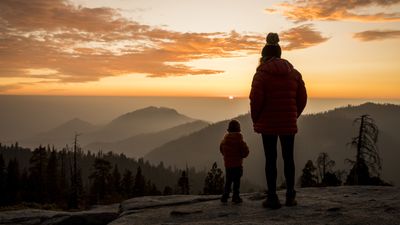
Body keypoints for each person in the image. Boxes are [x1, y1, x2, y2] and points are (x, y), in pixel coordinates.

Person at [249, 32, 307, 209]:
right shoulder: (294, 73)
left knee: (270, 159)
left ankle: (273, 197)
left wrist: (256, 119)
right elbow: (302, 98)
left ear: (264, 56)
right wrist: (292, 115)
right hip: (288, 122)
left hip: (268, 123)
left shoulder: (261, 75)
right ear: (280, 54)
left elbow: (255, 100)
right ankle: (290, 196)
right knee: (288, 158)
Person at [220, 119, 249, 204]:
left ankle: (225, 196)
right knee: (236, 182)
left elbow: (221, 150)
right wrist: (242, 155)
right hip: (237, 165)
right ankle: (235, 197)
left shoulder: (224, 141)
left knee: (228, 181)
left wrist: (227, 156)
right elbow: (245, 152)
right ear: (238, 130)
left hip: (228, 165)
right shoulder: (240, 141)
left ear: (229, 130)